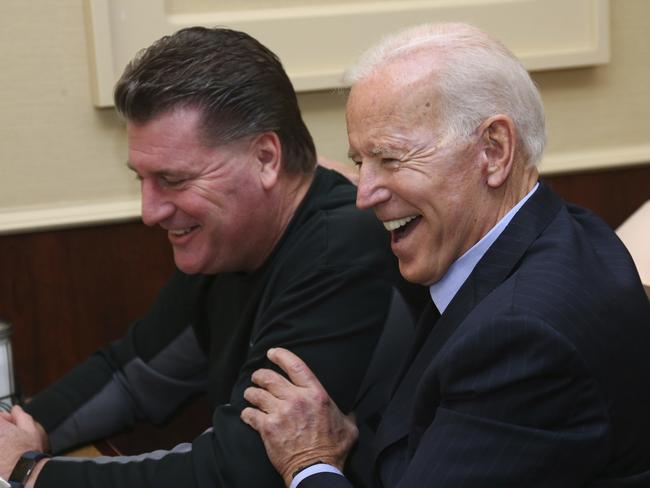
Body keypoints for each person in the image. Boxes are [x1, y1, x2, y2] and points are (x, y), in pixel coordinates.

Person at [241, 22, 650, 487]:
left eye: (390, 158)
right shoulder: (563, 229)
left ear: (493, 151)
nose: (365, 194)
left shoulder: (521, 340)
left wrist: (309, 462)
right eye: (360, 162)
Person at [0, 27, 402, 488]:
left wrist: (31, 473)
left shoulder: (341, 255)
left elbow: (240, 469)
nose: (150, 212)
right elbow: (133, 374)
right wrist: (20, 429)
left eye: (173, 180)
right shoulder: (229, 239)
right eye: (142, 180)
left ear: (266, 158)